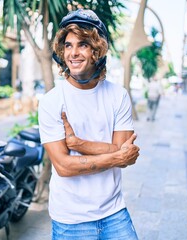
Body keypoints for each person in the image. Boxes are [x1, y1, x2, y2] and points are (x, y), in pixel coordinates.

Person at [38, 9, 140, 239]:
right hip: (71, 219)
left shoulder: (118, 95)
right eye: (68, 45)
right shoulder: (51, 101)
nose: (73, 53)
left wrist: (77, 143)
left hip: (114, 211)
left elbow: (124, 155)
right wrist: (116, 156)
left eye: (83, 44)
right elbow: (64, 167)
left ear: (97, 50)